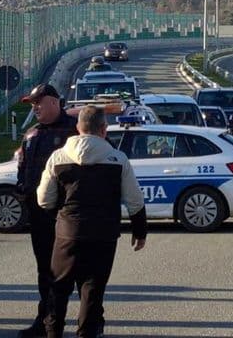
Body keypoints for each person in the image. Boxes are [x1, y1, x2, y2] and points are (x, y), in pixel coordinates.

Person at [37, 105, 147, 338]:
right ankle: (87, 332)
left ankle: (53, 332)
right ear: (104, 129)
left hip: (68, 231)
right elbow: (134, 200)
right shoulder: (118, 159)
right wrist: (140, 231)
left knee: (58, 288)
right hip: (104, 233)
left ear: (78, 128)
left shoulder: (58, 157)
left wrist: (59, 215)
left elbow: (44, 199)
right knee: (92, 291)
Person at [15, 83, 78, 338]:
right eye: (32, 104)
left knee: (77, 271)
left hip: (65, 214)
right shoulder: (32, 134)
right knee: (45, 270)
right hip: (39, 215)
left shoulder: (74, 132)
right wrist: (22, 189)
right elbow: (23, 168)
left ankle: (91, 321)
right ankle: (46, 320)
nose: (35, 108)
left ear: (54, 101)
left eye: (38, 102)